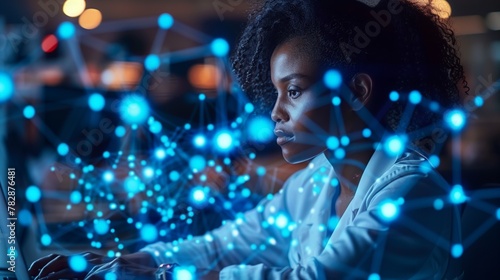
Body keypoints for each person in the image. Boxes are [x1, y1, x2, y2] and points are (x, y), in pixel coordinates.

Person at [29, 0, 467, 279]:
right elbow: (221, 245)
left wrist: (161, 275)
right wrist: (117, 264)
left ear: (357, 92)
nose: (276, 111)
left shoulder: (414, 191)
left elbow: (315, 278)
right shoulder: (315, 182)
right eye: (276, 93)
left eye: (293, 91)